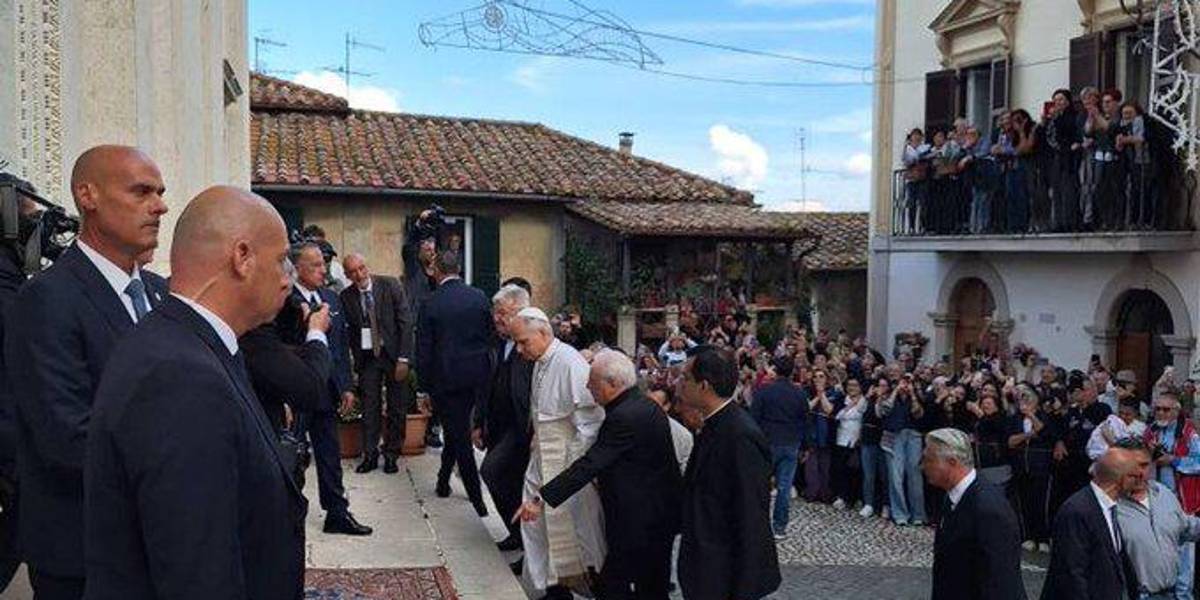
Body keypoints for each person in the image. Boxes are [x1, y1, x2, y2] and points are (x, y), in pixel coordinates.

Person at [83, 186, 306, 599]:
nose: (287, 277)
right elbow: (200, 577)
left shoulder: (194, 344)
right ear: (242, 257)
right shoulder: (181, 377)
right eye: (281, 260)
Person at [4, 145, 169, 599]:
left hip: (156, 548)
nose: (160, 205)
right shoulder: (47, 300)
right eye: (141, 191)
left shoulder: (161, 294)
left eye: (160, 192)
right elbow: (67, 438)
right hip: (82, 555)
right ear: (87, 195)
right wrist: (183, 461)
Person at [517, 350, 682, 600]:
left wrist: (541, 498)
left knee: (614, 584)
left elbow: (589, 464)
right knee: (651, 585)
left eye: (592, 382)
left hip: (638, 520)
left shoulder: (624, 417)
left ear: (613, 384)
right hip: (657, 516)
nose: (586, 386)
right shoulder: (645, 405)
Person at [509, 307, 606, 600]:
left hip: (565, 466)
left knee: (574, 537)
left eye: (523, 341)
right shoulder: (540, 360)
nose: (518, 348)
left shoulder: (570, 363)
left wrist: (570, 468)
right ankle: (548, 590)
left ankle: (567, 590)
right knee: (536, 531)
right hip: (542, 459)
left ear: (543, 333)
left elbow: (589, 424)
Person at [676, 345, 781, 600]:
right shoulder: (713, 424)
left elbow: (750, 514)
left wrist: (742, 590)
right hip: (706, 567)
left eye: (685, 378)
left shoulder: (739, 435)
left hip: (722, 574)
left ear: (704, 386)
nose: (678, 383)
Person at [288, 243, 372, 536]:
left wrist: (346, 386)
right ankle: (288, 515)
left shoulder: (330, 299)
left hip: (325, 392)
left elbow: (339, 347)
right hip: (297, 393)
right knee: (293, 454)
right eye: (315, 265)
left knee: (329, 454)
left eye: (323, 264)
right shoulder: (285, 301)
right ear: (297, 268)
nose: (323, 270)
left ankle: (337, 512)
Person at [416, 250, 493, 515]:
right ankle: (442, 480)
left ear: (436, 270)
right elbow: (489, 337)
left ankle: (477, 498)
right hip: (477, 377)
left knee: (459, 437)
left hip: (446, 380)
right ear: (459, 269)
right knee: (456, 430)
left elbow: (424, 349)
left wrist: (422, 388)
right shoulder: (480, 297)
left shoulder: (430, 302)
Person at [924, 428, 1025, 600]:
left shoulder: (989, 510)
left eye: (929, 460)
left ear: (952, 462)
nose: (923, 465)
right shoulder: (951, 497)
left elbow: (1000, 581)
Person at [340, 253, 414, 475]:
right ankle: (370, 454)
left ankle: (392, 454)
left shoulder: (390, 285)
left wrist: (404, 358)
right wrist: (356, 361)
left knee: (397, 407)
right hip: (368, 358)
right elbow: (351, 332)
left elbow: (405, 322)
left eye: (361, 268)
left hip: (393, 356)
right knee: (370, 407)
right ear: (346, 275)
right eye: (353, 272)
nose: (359, 274)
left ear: (367, 266)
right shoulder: (346, 296)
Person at [475, 283, 535, 556]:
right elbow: (485, 384)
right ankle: (517, 534)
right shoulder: (496, 341)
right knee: (505, 478)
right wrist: (478, 422)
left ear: (521, 313)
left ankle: (526, 538)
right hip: (497, 424)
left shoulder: (533, 344)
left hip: (520, 427)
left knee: (492, 471)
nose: (497, 318)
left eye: (503, 313)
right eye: (496, 312)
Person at [1041, 446, 1137, 600]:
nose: (1140, 481)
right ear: (1121, 479)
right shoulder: (1077, 511)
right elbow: (1072, 574)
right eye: (1135, 476)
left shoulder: (1109, 508)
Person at [1113, 437, 1200, 600]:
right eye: (1131, 466)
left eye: (1144, 465)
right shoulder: (1108, 507)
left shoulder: (1163, 493)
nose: (1139, 473)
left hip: (1172, 594)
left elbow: (1185, 527)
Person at [749, 354, 807, 538]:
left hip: (767, 442)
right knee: (784, 486)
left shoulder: (764, 391)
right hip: (790, 442)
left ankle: (758, 523)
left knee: (761, 484)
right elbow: (805, 420)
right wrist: (805, 445)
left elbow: (754, 419)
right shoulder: (799, 393)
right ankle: (779, 527)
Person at [879, 373, 927, 526]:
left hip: (913, 435)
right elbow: (884, 411)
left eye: (907, 382)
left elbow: (918, 414)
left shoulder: (916, 397)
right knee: (895, 475)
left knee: (915, 474)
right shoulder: (887, 397)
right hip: (894, 435)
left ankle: (918, 514)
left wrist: (912, 394)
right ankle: (900, 513)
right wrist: (895, 392)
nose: (904, 386)